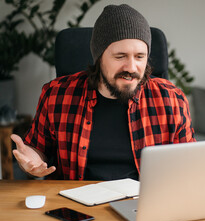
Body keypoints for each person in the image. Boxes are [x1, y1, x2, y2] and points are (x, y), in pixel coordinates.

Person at [11, 4, 195, 181]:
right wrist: (32, 159)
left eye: (140, 57)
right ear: (99, 58)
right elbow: (37, 150)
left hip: (143, 204)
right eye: (120, 56)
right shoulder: (57, 95)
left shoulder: (172, 99)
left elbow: (190, 163)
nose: (131, 67)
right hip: (76, 206)